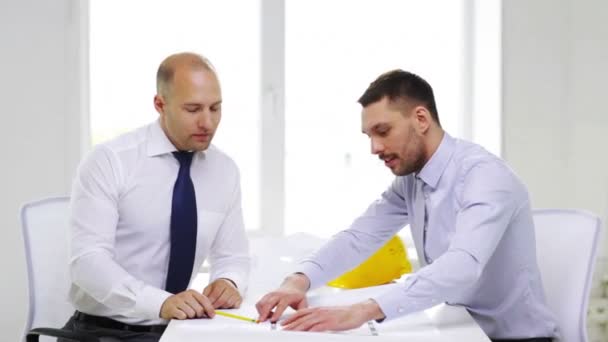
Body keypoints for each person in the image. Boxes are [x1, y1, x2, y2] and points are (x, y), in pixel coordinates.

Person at [256, 70, 558, 342]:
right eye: (369, 136)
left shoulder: (485, 176)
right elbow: (358, 237)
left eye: (383, 131)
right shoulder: (412, 181)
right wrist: (297, 281)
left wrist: (362, 311)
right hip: (455, 330)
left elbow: (462, 266)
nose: (374, 148)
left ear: (421, 119)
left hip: (513, 339)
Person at [61, 52, 250, 342]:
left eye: (215, 108)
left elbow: (232, 256)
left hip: (178, 331)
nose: (207, 122)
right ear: (160, 105)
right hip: (103, 331)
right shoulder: (110, 161)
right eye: (193, 109)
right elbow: (87, 263)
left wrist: (228, 281)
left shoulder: (224, 171)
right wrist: (159, 303)